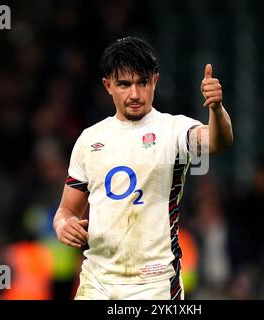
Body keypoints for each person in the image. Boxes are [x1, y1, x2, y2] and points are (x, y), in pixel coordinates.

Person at [53, 36, 233, 300]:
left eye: (142, 83)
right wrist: (63, 226)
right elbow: (67, 210)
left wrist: (216, 109)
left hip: (154, 283)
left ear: (155, 81)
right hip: (97, 281)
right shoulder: (89, 140)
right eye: (124, 84)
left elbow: (219, 142)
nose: (135, 94)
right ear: (108, 86)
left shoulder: (174, 130)